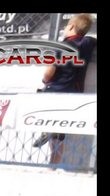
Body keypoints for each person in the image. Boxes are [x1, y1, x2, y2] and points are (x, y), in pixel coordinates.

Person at [39, 13, 96, 168]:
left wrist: (45, 80)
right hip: (74, 93)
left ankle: (46, 129)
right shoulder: (88, 43)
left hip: (55, 91)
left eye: (66, 26)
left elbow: (49, 71)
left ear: (71, 26)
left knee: (44, 115)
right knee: (60, 135)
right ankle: (53, 165)